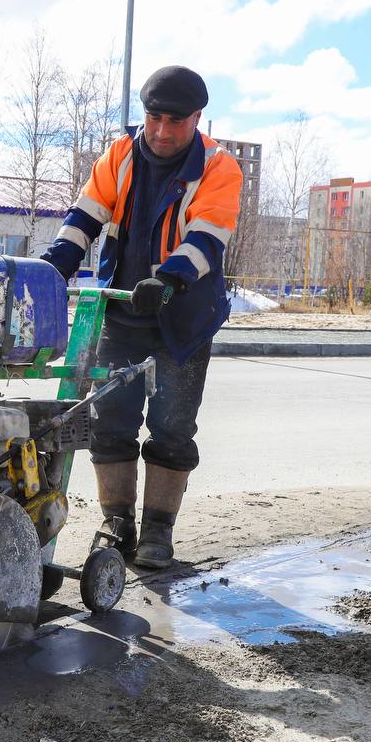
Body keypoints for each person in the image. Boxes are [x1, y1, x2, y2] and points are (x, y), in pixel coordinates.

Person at [41, 65, 242, 569]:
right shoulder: (120, 155)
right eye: (154, 118)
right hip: (121, 311)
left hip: (183, 317)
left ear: (198, 118)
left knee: (172, 427)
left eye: (176, 121)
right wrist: (56, 265)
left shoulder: (218, 166)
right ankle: (116, 524)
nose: (162, 131)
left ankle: (157, 531)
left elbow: (207, 237)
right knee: (110, 423)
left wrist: (170, 279)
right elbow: (86, 214)